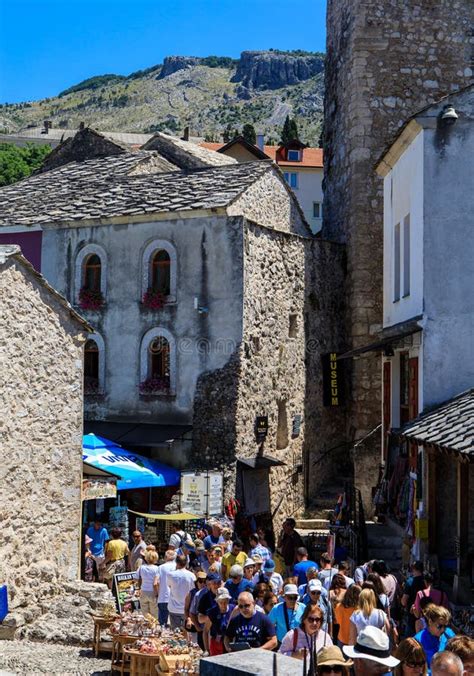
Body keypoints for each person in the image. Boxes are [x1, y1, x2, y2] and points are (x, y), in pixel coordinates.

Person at [414, 605, 455, 670]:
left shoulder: (449, 633)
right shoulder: (418, 640)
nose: (443, 630)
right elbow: (417, 667)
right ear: (430, 622)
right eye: (440, 626)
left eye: (445, 626)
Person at [167, 554, 196, 630]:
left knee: (174, 633)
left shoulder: (171, 574)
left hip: (174, 608)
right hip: (186, 609)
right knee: (186, 633)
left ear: (176, 562)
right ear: (186, 563)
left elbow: (169, 586)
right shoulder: (192, 575)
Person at [204, 587, 235, 656]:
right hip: (216, 643)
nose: (223, 605)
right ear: (217, 601)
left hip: (230, 643)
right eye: (221, 602)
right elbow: (205, 631)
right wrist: (207, 649)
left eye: (225, 602)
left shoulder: (233, 609)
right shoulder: (212, 612)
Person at [185, 570, 207, 649]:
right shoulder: (192, 593)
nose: (202, 584)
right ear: (196, 582)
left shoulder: (208, 593)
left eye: (204, 581)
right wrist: (189, 619)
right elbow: (186, 608)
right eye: (200, 581)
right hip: (194, 624)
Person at [402, 561, 425, 636]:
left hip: (412, 615)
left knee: (409, 639)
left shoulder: (410, 582)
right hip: (425, 615)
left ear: (413, 569)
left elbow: (404, 601)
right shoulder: (426, 581)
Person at [334, 584, 361, 648]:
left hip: (342, 638)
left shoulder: (339, 607)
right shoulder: (359, 610)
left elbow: (337, 621)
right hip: (356, 640)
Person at [136, 550, 159, 619]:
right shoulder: (157, 568)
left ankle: (146, 627)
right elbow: (157, 582)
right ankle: (154, 627)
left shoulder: (141, 568)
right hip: (153, 592)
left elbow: (136, 578)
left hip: (143, 591)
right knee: (154, 613)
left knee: (144, 613)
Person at [156, 550, 177, 626]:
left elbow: (156, 583)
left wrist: (157, 594)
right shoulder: (177, 567)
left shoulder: (161, 567)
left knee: (162, 624)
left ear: (165, 557)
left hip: (163, 597)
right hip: (176, 599)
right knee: (176, 625)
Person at [329, 573, 348, 643]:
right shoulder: (346, 592)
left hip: (333, 620)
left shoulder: (330, 593)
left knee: (334, 641)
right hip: (343, 620)